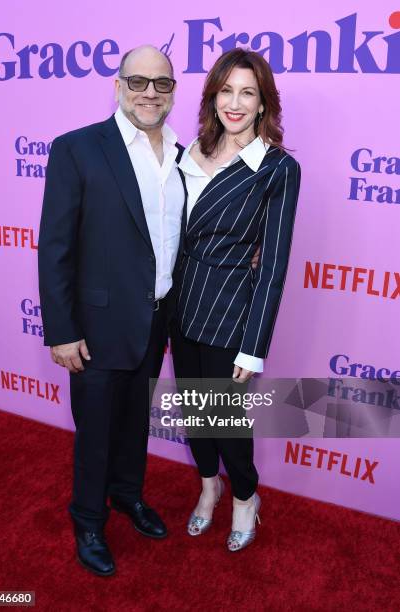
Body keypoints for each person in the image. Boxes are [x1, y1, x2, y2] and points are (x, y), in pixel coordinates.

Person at [38, 45, 185, 576]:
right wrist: (61, 330)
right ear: (118, 84)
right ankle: (88, 520)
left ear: (173, 91)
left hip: (156, 320)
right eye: (139, 81)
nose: (150, 92)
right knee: (96, 430)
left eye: (162, 84)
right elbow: (55, 246)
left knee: (134, 425)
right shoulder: (77, 148)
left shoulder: (181, 153)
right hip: (95, 327)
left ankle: (128, 495)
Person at [170, 48, 301, 552]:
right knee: (193, 414)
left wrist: (254, 346)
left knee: (224, 422)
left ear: (264, 103)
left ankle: (245, 496)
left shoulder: (276, 169)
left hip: (231, 314)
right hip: (179, 306)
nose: (236, 102)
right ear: (213, 96)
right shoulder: (188, 153)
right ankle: (209, 488)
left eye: (248, 92)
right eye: (226, 90)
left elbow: (273, 266)